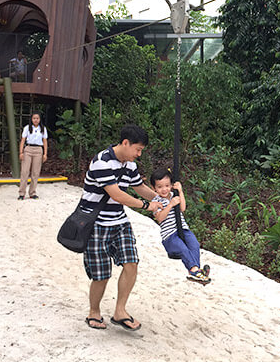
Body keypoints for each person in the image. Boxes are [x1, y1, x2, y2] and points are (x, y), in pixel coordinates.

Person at [81, 124, 163, 331]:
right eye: (138, 149)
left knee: (131, 263)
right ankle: (94, 312)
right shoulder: (102, 162)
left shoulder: (129, 164)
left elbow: (140, 187)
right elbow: (117, 194)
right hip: (96, 224)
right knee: (101, 274)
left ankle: (120, 311)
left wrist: (164, 199)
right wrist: (147, 206)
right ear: (125, 143)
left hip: (119, 222)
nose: (139, 154)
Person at [150, 168, 210, 284]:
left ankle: (195, 270)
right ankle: (194, 270)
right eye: (160, 187)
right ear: (154, 188)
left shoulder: (174, 195)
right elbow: (160, 218)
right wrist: (170, 205)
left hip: (183, 228)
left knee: (194, 245)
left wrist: (180, 192)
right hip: (170, 235)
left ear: (171, 185)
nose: (164, 189)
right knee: (183, 249)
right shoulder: (155, 201)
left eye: (167, 185)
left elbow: (182, 208)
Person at [18, 112, 47, 200]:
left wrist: (45, 154)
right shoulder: (27, 128)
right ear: (31, 119)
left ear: (40, 119)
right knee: (25, 172)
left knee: (35, 172)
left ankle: (32, 193)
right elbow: (23, 140)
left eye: (37, 118)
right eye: (34, 118)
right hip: (28, 149)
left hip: (38, 150)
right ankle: (22, 193)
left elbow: (45, 141)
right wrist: (21, 152)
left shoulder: (43, 129)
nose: (36, 120)